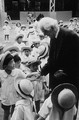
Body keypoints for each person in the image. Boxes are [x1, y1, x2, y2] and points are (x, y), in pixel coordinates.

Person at [37, 17, 79, 112]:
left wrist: (65, 72)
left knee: (69, 110)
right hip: (57, 82)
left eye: (44, 31)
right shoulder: (53, 38)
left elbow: (76, 60)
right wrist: (40, 72)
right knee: (57, 110)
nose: (44, 34)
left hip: (70, 82)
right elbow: (52, 61)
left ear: (52, 28)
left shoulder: (71, 36)